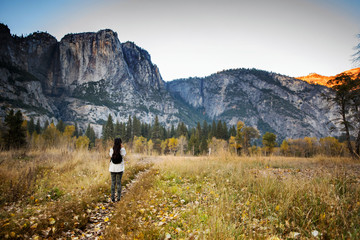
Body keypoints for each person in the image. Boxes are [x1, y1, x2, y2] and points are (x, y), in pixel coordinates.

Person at [109, 138, 126, 202]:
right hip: (120, 169)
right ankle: (118, 198)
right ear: (120, 143)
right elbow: (124, 155)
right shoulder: (122, 150)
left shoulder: (111, 150)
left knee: (113, 183)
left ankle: (112, 198)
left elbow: (111, 156)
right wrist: (123, 147)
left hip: (112, 168)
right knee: (119, 183)